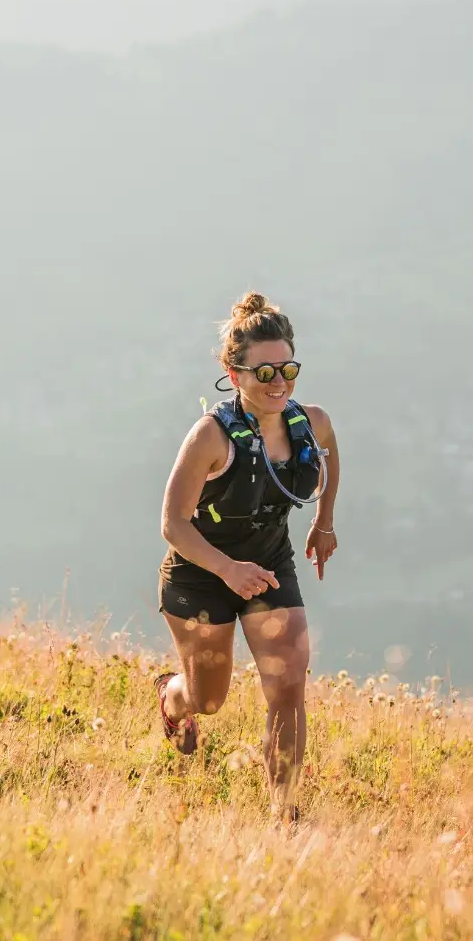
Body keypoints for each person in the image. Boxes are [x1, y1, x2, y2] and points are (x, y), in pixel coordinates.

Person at [155, 291, 341, 824]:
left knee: (289, 687)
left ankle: (285, 816)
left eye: (288, 368)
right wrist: (227, 570)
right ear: (234, 375)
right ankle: (171, 699)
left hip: (269, 564)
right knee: (208, 700)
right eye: (264, 373)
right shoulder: (211, 437)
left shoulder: (311, 421)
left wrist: (324, 522)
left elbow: (331, 455)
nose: (279, 382)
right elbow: (172, 524)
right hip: (201, 574)